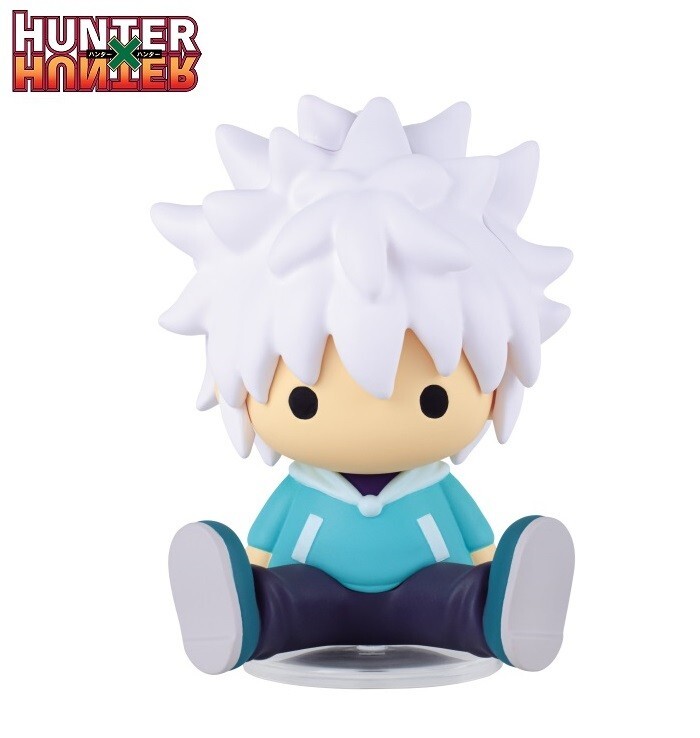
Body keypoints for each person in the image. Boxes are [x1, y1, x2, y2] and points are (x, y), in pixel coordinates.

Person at [153, 96, 575, 678]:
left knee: (461, 597)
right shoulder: (302, 491)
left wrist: (490, 569)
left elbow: (478, 547)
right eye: (305, 400)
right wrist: (250, 574)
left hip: (428, 595)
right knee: (281, 600)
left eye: (432, 399)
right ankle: (245, 616)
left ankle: (496, 613)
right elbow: (262, 549)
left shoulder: (436, 488)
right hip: (312, 594)